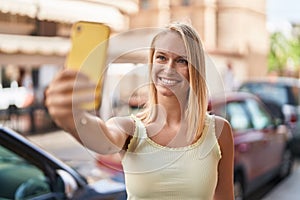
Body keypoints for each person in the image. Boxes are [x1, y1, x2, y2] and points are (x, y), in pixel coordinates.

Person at [45, 22, 234, 200]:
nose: (169, 68)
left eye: (181, 60)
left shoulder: (218, 131)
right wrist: (75, 118)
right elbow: (103, 142)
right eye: (161, 57)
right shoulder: (129, 129)